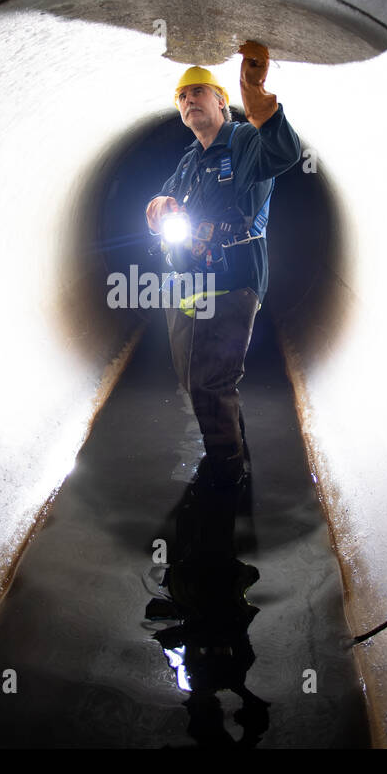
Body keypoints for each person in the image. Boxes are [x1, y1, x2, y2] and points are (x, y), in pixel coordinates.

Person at [145, 41, 302, 488]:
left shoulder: (244, 141)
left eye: (199, 92)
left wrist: (256, 93)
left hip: (233, 281)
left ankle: (226, 471)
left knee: (212, 381)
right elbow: (162, 203)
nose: (190, 100)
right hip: (188, 282)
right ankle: (233, 450)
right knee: (197, 381)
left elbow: (283, 152)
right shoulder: (190, 161)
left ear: (220, 101)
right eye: (183, 96)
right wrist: (157, 205)